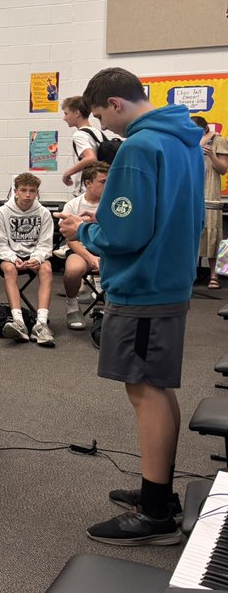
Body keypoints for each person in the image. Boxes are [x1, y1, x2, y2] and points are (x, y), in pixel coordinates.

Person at [57, 67, 204, 545]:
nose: (103, 126)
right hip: (170, 276)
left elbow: (126, 233)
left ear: (116, 104)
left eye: (101, 116)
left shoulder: (140, 146)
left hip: (144, 285)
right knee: (155, 388)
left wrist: (84, 232)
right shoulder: (184, 138)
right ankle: (156, 490)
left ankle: (156, 513)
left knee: (145, 392)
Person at [0, 173, 55, 346]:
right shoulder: (2, 213)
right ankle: (18, 321)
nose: (28, 195)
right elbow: (0, 245)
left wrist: (37, 257)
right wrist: (13, 258)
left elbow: (45, 243)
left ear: (37, 193)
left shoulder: (44, 213)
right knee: (10, 270)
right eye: (24, 190)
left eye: (32, 191)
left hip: (35, 254)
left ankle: (41, 324)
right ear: (16, 191)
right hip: (10, 254)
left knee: (47, 269)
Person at [61, 163, 108, 329]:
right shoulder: (73, 205)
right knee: (73, 269)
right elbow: (71, 239)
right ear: (88, 183)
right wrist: (91, 258)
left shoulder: (112, 204)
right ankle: (73, 307)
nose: (108, 185)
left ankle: (110, 309)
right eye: (103, 182)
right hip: (81, 250)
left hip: (107, 249)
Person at [193, 116, 228, 288]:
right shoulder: (189, 140)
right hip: (193, 194)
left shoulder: (218, 140)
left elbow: (222, 169)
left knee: (214, 234)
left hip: (210, 192)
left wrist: (212, 155)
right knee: (193, 235)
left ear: (205, 128)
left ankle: (215, 275)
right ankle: (190, 273)